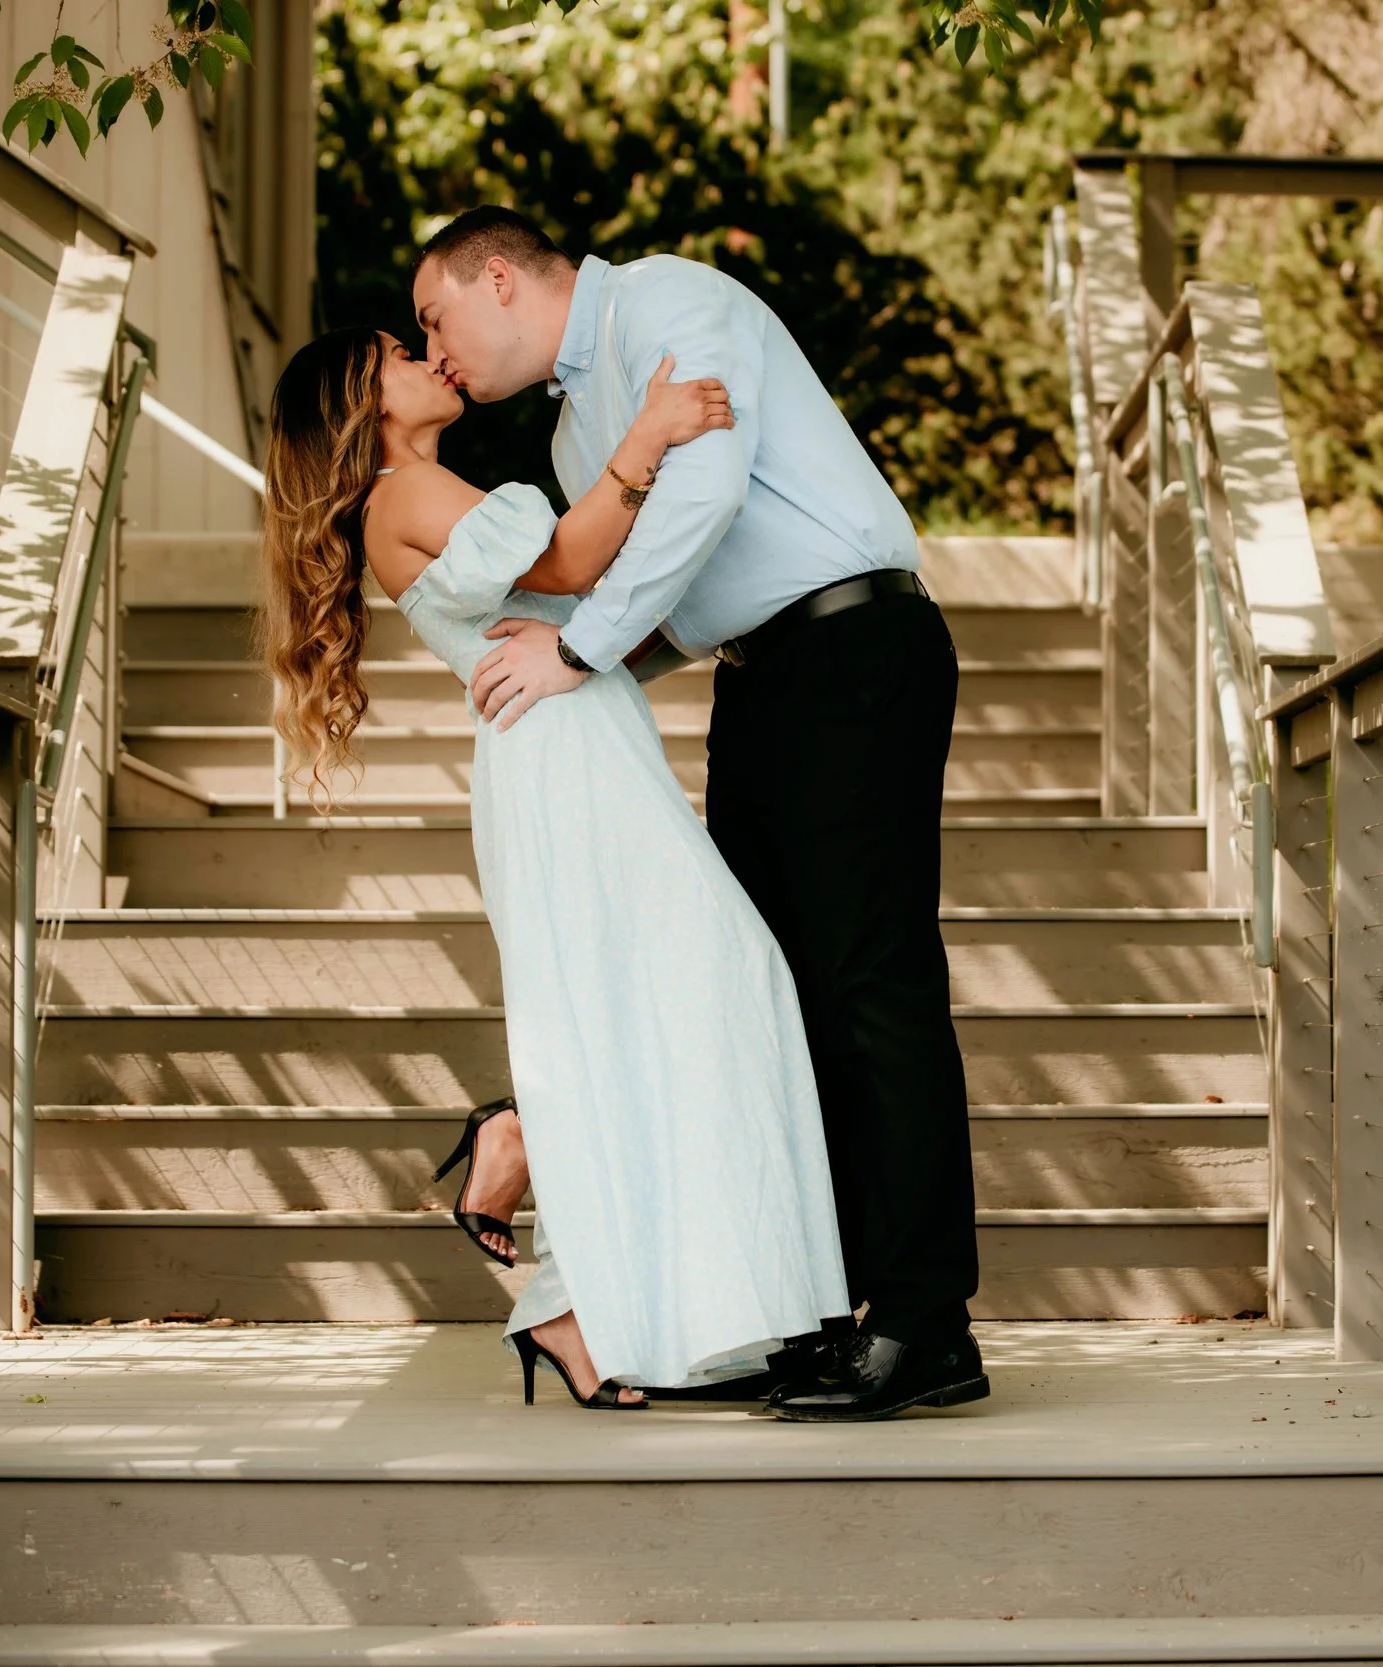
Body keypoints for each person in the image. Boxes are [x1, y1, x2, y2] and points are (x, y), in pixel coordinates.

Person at [413, 206, 988, 1422]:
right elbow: (650, 592)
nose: (436, 346)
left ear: (500, 278)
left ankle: (930, 1324)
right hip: (761, 680)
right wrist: (586, 662)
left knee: (871, 980)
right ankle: (830, 1308)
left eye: (435, 316)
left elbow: (708, 493)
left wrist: (581, 645)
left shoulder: (671, 302)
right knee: (778, 996)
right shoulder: (579, 433)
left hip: (854, 646)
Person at [260, 325, 851, 1411]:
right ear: (365, 400)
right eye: (405, 353)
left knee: (666, 999)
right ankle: (566, 1237)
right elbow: (572, 562)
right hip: (561, 761)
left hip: (579, 744)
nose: (434, 361)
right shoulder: (400, 495)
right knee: (722, 976)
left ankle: (563, 1259)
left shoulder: (430, 489)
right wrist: (651, 435)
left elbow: (587, 594)